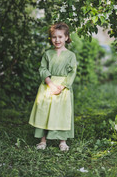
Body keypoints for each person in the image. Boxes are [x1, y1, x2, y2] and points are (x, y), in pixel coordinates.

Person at [29, 22, 77, 151]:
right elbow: (43, 69)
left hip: (63, 88)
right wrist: (50, 84)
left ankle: (62, 141)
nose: (57, 40)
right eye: (54, 37)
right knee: (44, 112)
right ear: (51, 38)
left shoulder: (71, 55)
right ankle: (42, 140)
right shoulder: (47, 54)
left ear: (66, 37)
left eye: (60, 37)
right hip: (48, 85)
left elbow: (72, 72)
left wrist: (62, 86)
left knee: (61, 113)